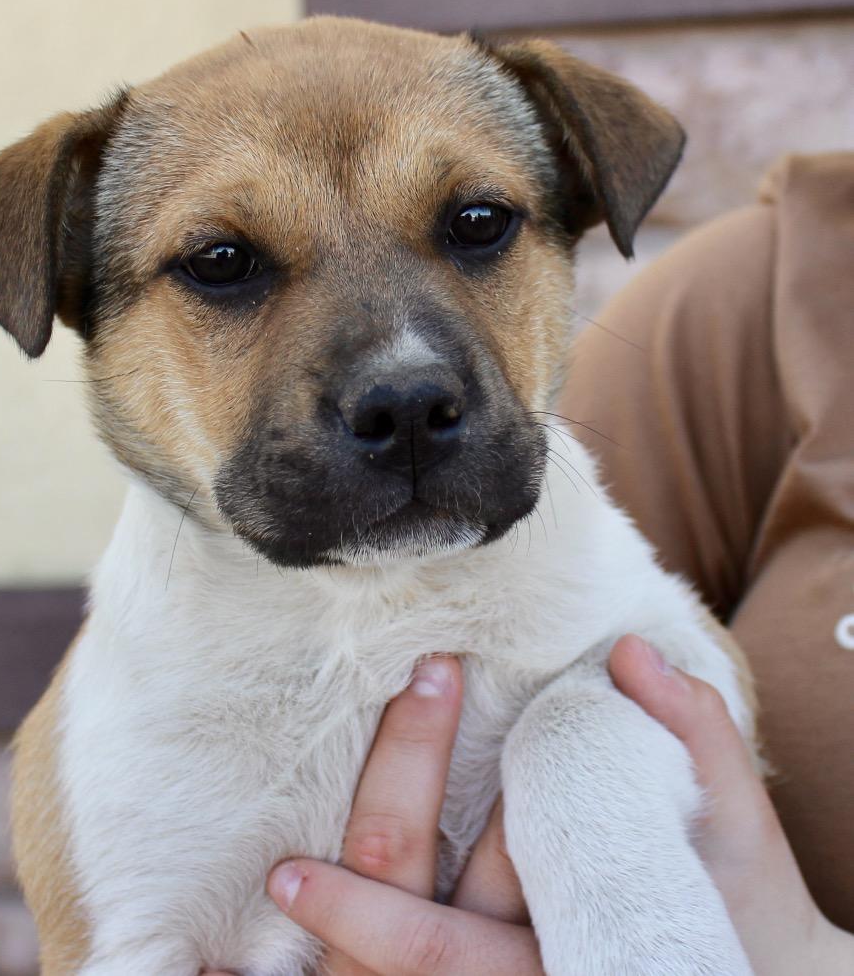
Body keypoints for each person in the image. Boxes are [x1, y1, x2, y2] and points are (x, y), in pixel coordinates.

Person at [212, 154, 854, 973]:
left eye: (477, 228)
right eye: (224, 265)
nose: (403, 385)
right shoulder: (764, 294)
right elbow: (661, 658)